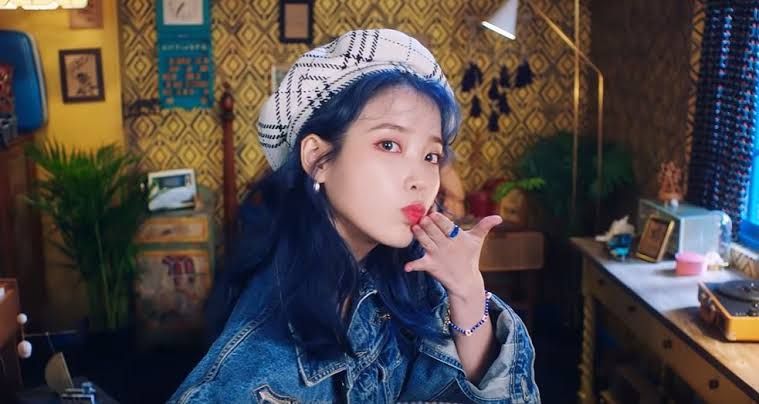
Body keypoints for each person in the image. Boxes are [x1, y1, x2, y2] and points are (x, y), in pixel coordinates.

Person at [169, 29, 540, 404]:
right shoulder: (257, 370)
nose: (420, 180)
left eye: (431, 155)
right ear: (318, 160)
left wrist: (468, 292)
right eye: (389, 144)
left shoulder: (410, 275)